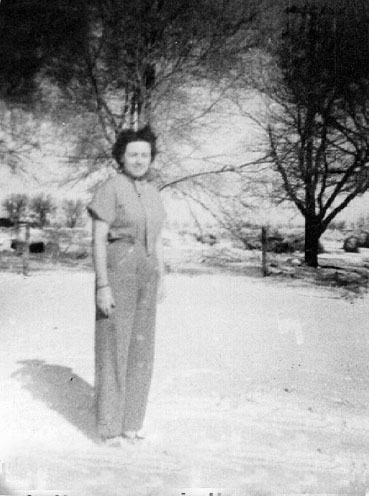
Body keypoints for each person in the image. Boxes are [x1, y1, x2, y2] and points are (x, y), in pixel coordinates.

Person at [87, 126, 166, 446]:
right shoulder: (110, 189)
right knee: (114, 350)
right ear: (121, 156)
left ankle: (132, 424)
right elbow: (98, 240)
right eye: (132, 154)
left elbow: (157, 238)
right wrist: (102, 285)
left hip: (147, 275)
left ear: (151, 158)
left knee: (141, 352)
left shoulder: (152, 191)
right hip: (118, 272)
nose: (138, 160)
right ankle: (109, 429)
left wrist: (162, 275)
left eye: (144, 155)